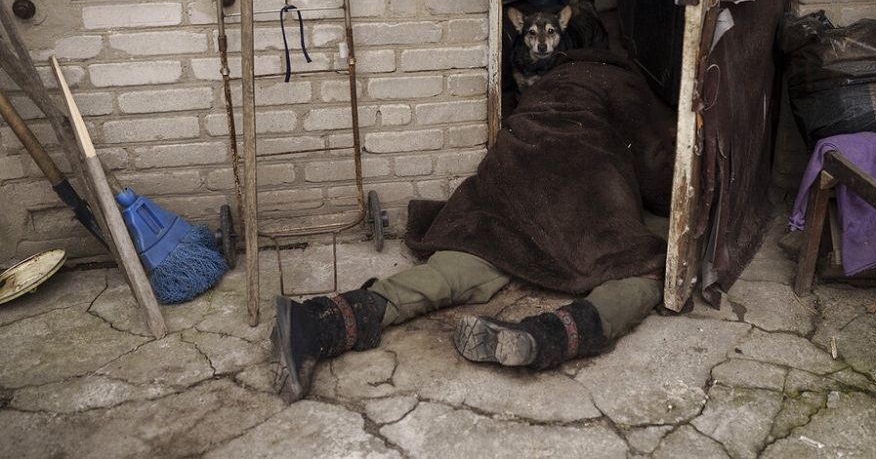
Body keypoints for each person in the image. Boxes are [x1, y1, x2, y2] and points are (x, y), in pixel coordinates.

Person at [272, 49, 676, 402]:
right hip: (579, 182)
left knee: (471, 257)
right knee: (643, 268)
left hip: (509, 175)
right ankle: (547, 336)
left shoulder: (550, 79)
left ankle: (318, 322)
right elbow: (656, 169)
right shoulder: (624, 81)